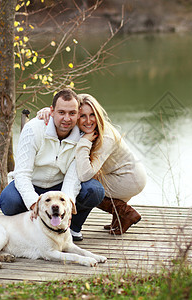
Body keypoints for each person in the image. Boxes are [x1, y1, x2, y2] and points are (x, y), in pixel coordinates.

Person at [0, 88, 105, 241]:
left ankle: (72, 227)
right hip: (32, 184)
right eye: (61, 112)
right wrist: (35, 204)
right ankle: (32, 228)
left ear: (78, 113)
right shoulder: (33, 129)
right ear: (52, 111)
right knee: (9, 202)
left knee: (95, 190)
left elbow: (72, 179)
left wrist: (67, 209)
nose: (67, 119)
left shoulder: (82, 137)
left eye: (72, 113)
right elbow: (22, 174)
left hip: (59, 187)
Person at [38, 93, 146, 235]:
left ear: (98, 114)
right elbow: (64, 111)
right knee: (80, 180)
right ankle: (119, 216)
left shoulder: (104, 136)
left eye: (92, 115)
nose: (88, 121)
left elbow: (85, 174)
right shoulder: (86, 129)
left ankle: (126, 213)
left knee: (88, 188)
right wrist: (48, 112)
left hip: (128, 179)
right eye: (82, 116)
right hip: (119, 175)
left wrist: (84, 143)